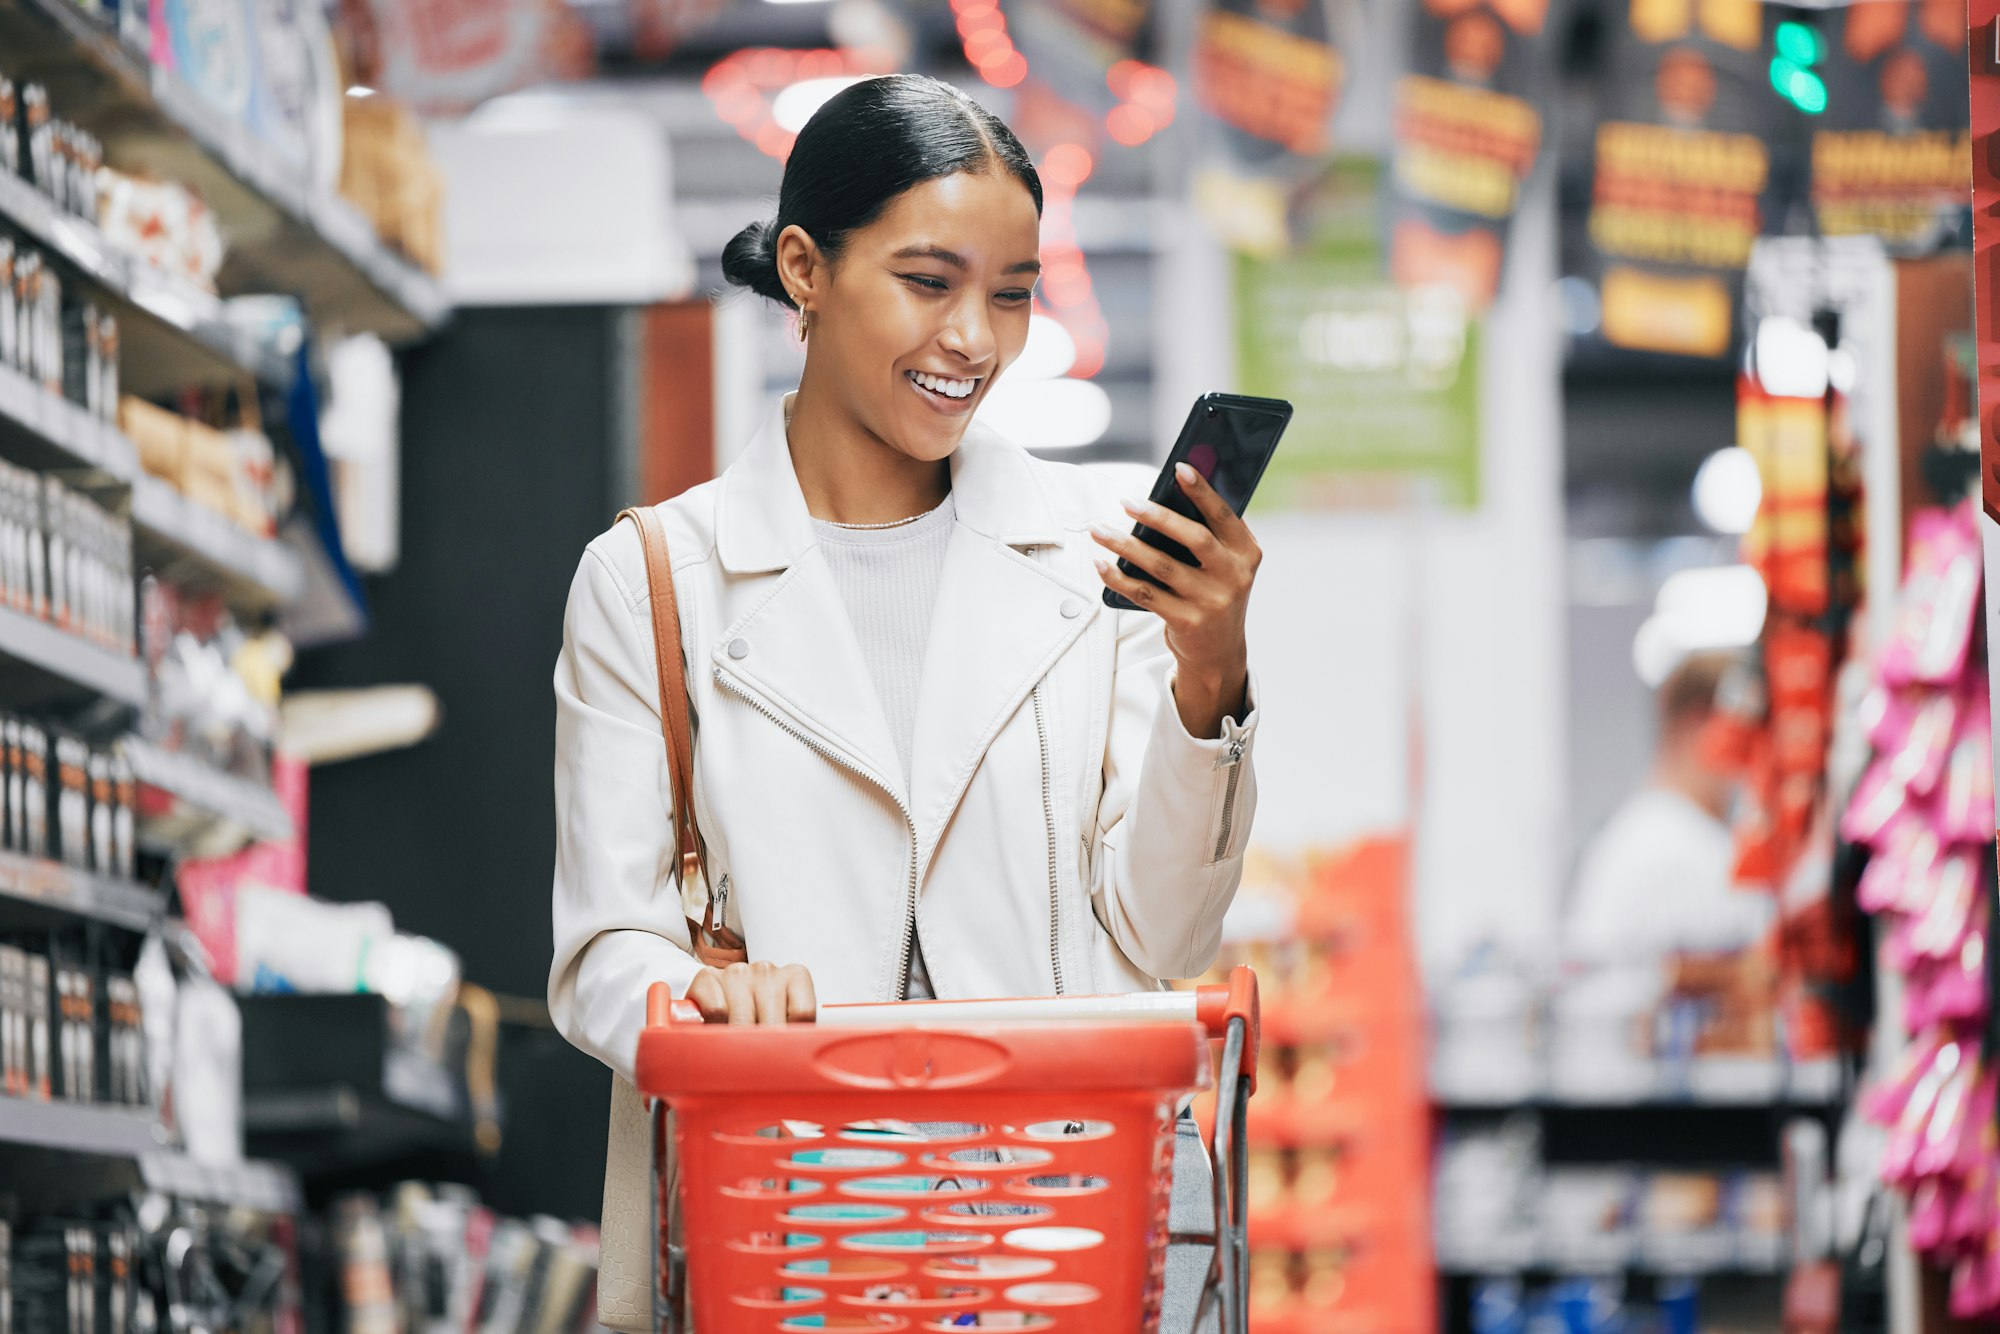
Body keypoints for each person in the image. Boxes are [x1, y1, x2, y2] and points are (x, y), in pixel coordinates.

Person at [547, 74, 1262, 1327]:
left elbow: (1160, 940)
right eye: (928, 283)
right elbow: (604, 945)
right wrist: (698, 999)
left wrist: (1210, 687)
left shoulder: (1096, 557)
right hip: (789, 1226)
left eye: (1010, 293)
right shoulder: (657, 579)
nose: (973, 340)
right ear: (804, 269)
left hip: (1060, 1230)